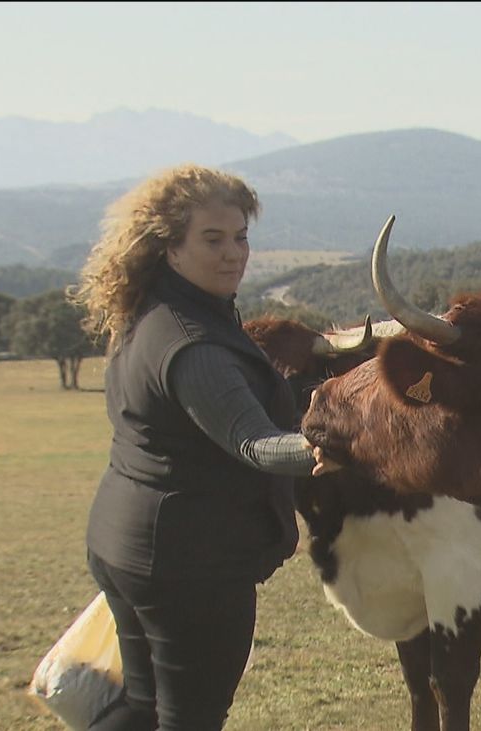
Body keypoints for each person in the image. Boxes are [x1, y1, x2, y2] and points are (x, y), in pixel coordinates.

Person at [70, 164, 331, 730]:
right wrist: (353, 445)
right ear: (170, 249)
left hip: (129, 543)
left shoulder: (153, 313)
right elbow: (258, 445)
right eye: (212, 239)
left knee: (143, 705)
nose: (233, 253)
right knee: (191, 718)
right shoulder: (194, 344)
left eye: (240, 237)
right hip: (189, 566)